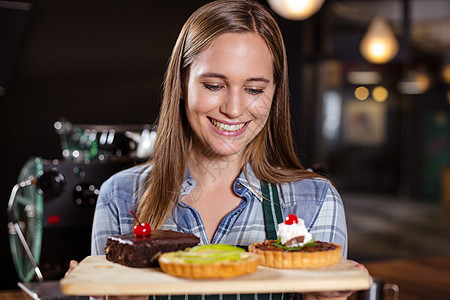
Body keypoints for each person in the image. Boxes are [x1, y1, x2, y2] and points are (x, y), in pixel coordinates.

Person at [69, 1, 355, 299]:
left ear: (275, 92)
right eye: (214, 86)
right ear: (182, 83)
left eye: (254, 89)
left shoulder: (315, 200)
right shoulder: (120, 195)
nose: (233, 109)